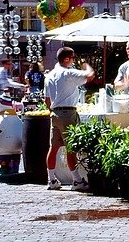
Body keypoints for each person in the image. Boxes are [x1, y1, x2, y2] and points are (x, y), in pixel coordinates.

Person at [44, 47, 93, 191]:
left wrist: (53, 111)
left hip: (55, 113)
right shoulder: (68, 73)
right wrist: (85, 64)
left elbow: (47, 100)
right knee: (71, 148)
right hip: (67, 113)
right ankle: (77, 181)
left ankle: (51, 179)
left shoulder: (50, 75)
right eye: (72, 58)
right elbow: (90, 75)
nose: (73, 60)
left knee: (54, 148)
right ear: (66, 59)